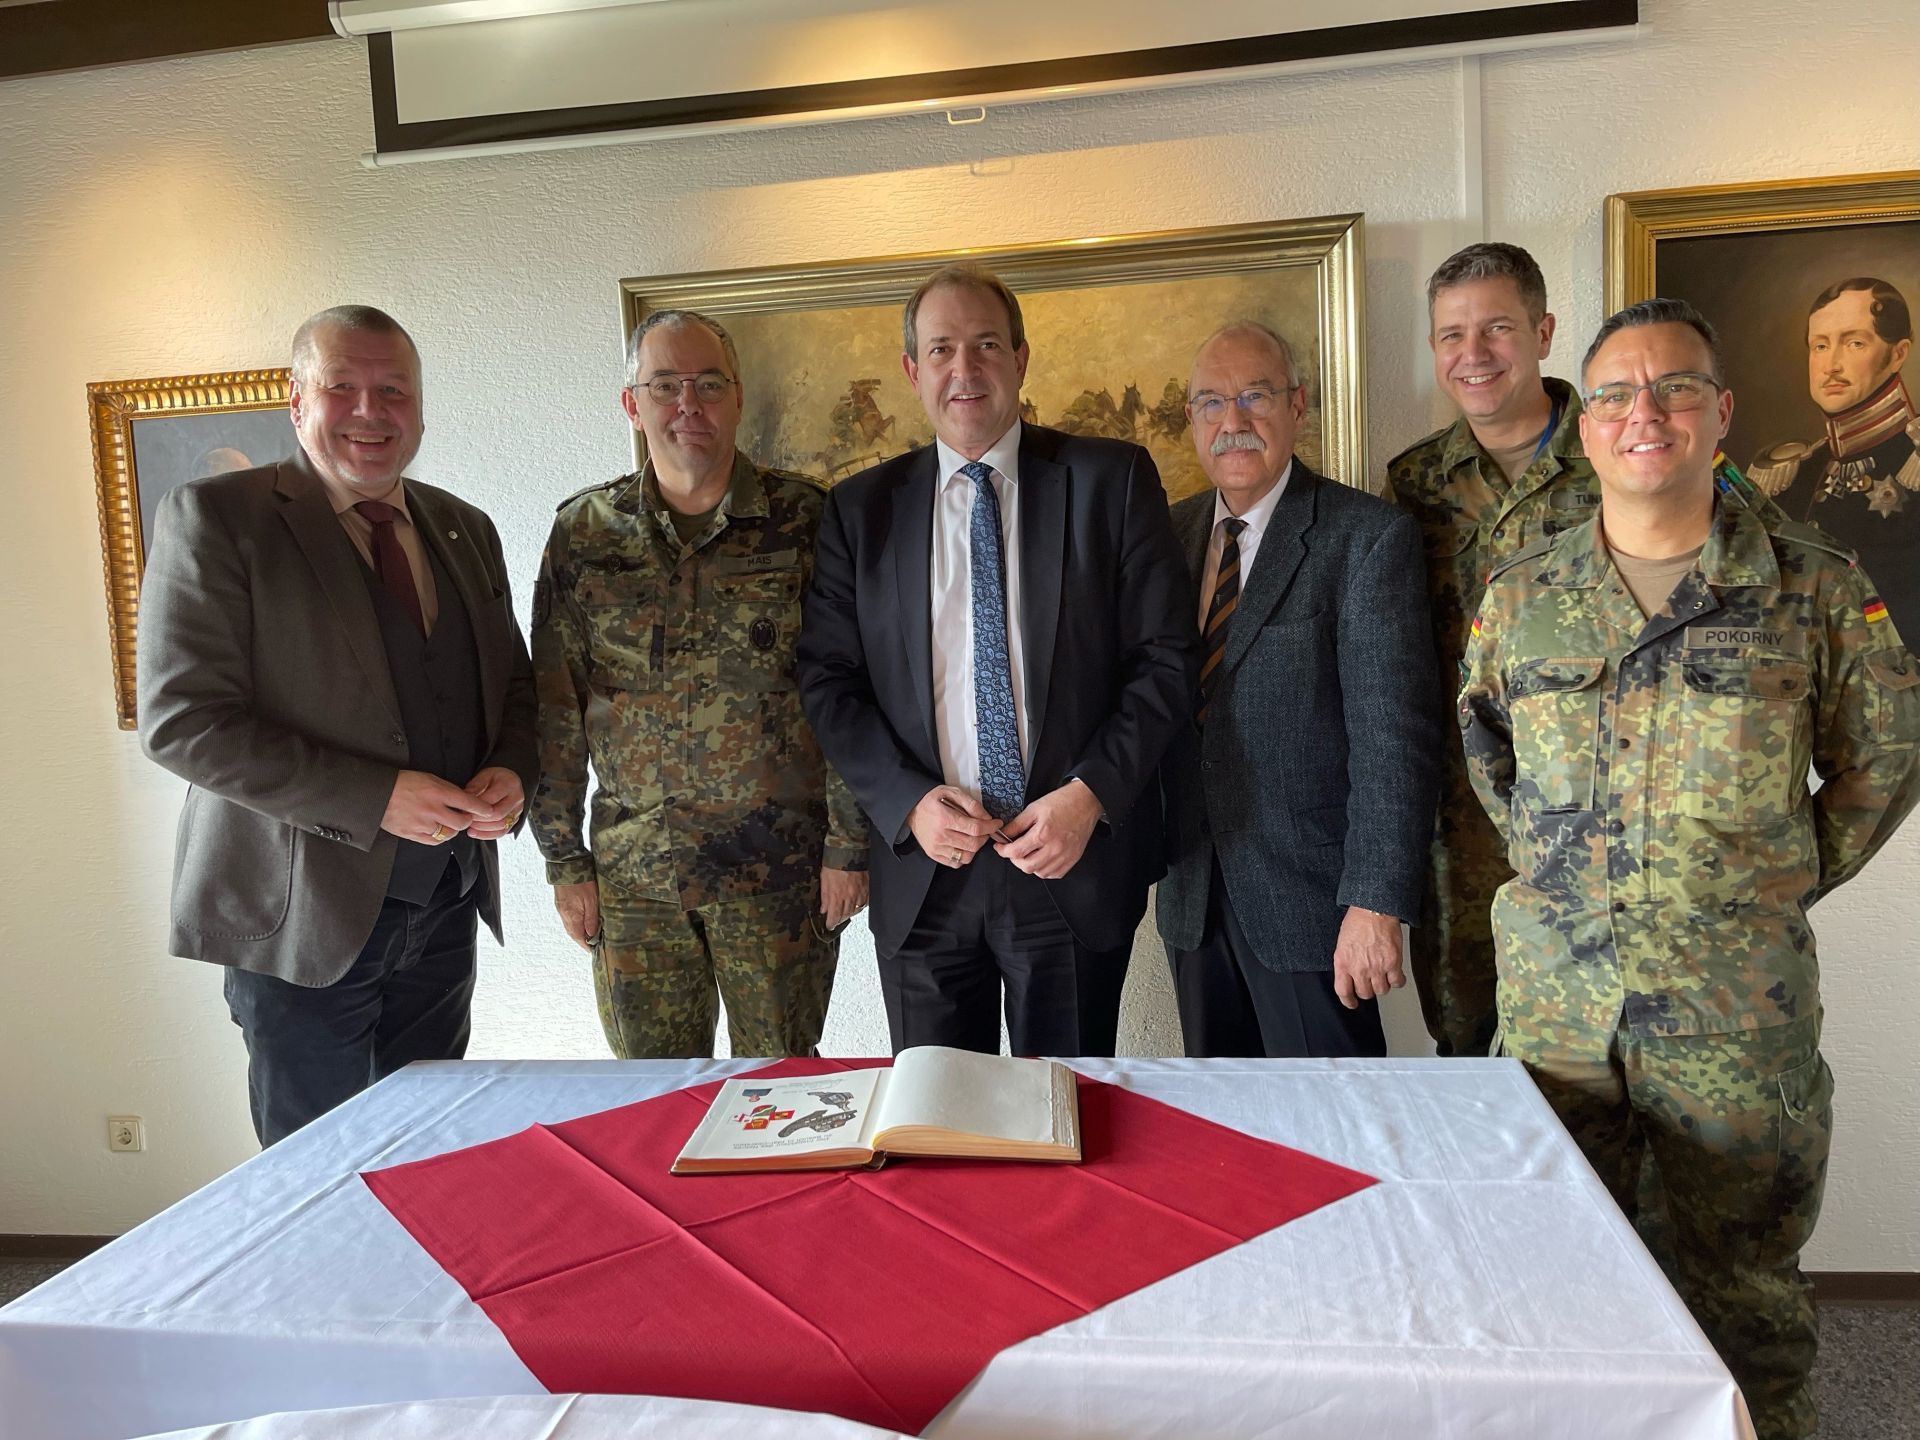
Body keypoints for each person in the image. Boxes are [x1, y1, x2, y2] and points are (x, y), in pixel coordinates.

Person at [1459, 297, 1920, 1440]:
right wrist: (1572, 880)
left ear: (1722, 413)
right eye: (1616, 393)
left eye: (1674, 389)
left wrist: (1762, 879)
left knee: (1745, 1315)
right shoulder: (1523, 597)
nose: (1644, 413)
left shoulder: (1814, 587)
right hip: (1560, 1020)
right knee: (1555, 1300)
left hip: (1733, 1023)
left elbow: (1884, 762)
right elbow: (1488, 752)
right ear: (1586, 428)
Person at [137, 305, 536, 1146]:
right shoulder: (218, 519)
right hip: (302, 920)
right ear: (296, 401)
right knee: (312, 1171)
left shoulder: (465, 527)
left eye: (393, 390)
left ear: (419, 405)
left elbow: (513, 684)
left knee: (424, 1153)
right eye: (342, 387)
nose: (370, 411)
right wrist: (374, 797)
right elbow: (182, 720)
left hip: (445, 906)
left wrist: (512, 769)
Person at [796, 263, 1194, 1056]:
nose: (965, 368)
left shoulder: (1110, 481)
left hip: (1067, 865)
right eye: (941, 349)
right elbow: (829, 681)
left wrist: (1089, 796)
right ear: (912, 370)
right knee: (937, 1116)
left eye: (985, 344)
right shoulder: (860, 511)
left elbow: (1165, 663)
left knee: (1062, 1108)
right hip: (925, 878)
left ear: (1020, 357)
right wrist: (909, 802)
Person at [530, 308, 869, 1059]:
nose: (689, 404)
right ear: (633, 404)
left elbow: (848, 695)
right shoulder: (584, 532)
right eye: (666, 385)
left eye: (709, 384)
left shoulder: (807, 520)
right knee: (653, 1094)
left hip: (777, 873)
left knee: (781, 1088)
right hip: (635, 882)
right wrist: (563, 861)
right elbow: (555, 706)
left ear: (737, 397)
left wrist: (849, 847)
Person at [1157, 321, 1438, 1057]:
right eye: (1211, 402)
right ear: (1190, 419)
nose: (1233, 420)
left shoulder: (1365, 538)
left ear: (1297, 405)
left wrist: (1375, 902)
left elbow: (1393, 738)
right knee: (1220, 1118)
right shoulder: (1166, 537)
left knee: (1335, 1117)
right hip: (1193, 899)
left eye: (1255, 396)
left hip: (1317, 904)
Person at [1383, 241, 1599, 1057]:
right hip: (1462, 835)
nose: (1473, 353)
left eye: (1497, 328)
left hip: (1598, 821)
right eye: (1452, 335)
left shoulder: (1621, 457)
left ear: (1543, 332)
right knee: (1469, 1054)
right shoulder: (1413, 485)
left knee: (1607, 1062)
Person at [1749, 276, 1920, 637]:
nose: (1831, 366)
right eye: (1820, 346)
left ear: (1898, 354)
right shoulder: (1794, 472)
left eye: (1854, 343)